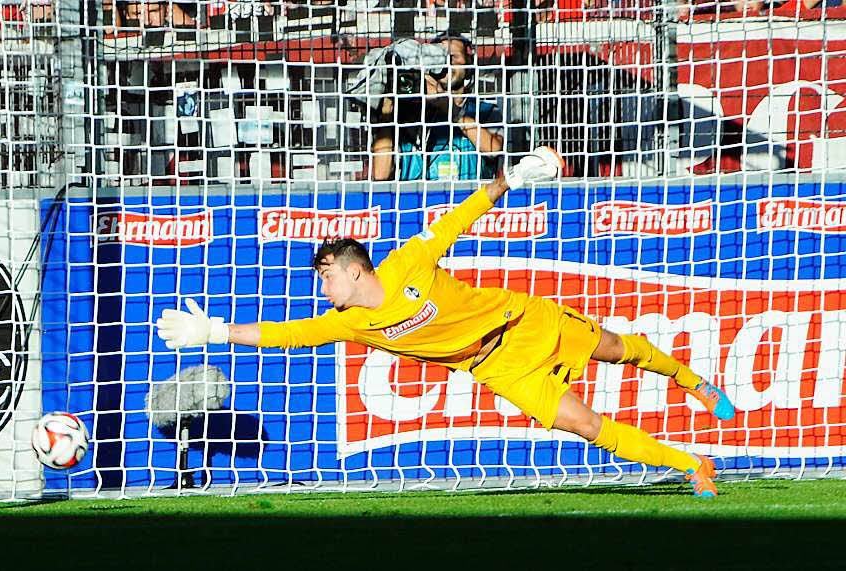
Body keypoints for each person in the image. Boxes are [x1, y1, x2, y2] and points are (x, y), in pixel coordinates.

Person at [156, 146, 735, 497]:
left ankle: (691, 381)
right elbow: (280, 335)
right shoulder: (345, 323)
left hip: (521, 322)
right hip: (498, 368)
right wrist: (213, 332)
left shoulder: (408, 261)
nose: (322, 285)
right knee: (586, 427)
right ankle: (693, 465)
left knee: (617, 349)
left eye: (327, 273)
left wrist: (512, 178)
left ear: (357, 270)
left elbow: (459, 216)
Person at [370, 35, 504, 181]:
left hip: (468, 197)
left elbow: (493, 149)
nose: (446, 63)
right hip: (417, 200)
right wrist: (388, 113)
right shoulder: (409, 112)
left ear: (469, 62)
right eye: (438, 58)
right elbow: (380, 175)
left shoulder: (485, 111)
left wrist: (450, 108)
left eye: (452, 57)